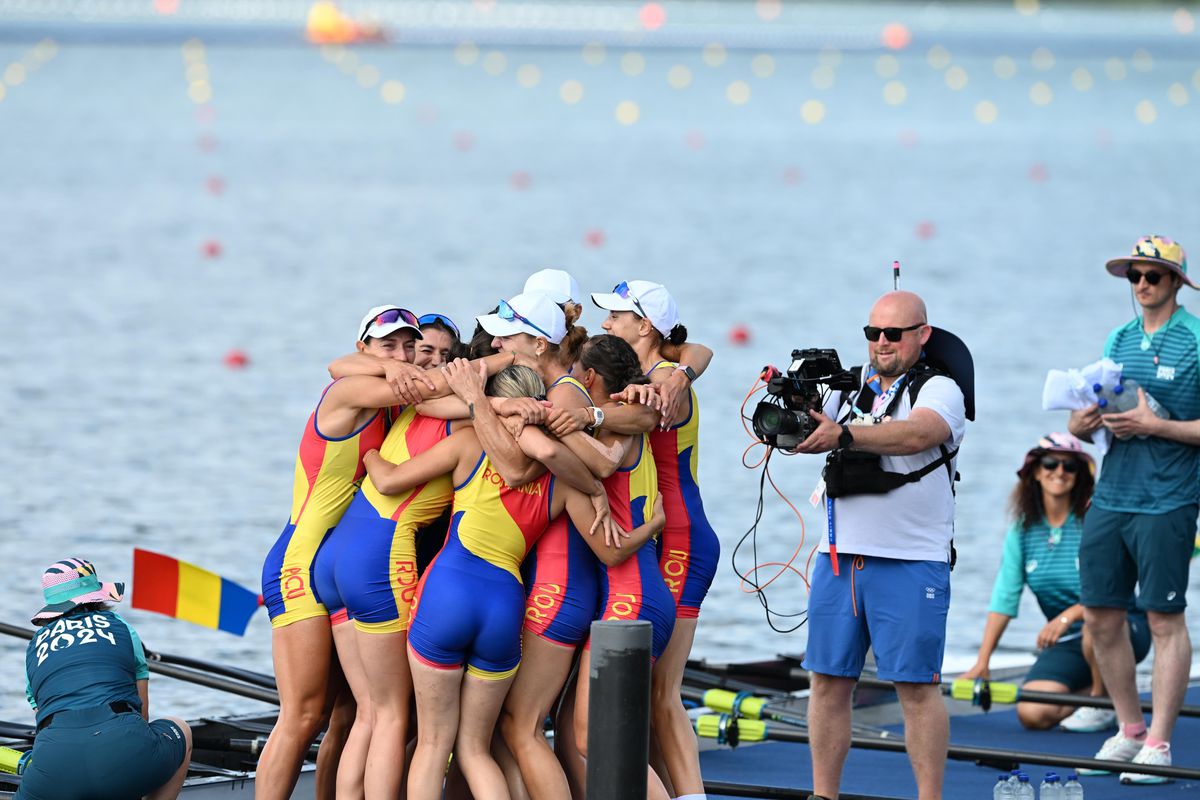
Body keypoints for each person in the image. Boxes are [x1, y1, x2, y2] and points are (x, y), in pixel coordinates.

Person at [362, 361, 616, 800]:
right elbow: (608, 541)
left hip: (449, 591)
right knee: (475, 749)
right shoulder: (562, 476)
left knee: (433, 744)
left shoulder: (469, 442)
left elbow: (388, 481)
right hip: (504, 605)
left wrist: (368, 452)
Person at [792, 291, 966, 800]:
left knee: (915, 688)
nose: (882, 343)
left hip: (912, 559)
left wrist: (844, 434)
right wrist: (792, 409)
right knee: (826, 682)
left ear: (922, 335)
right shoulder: (847, 389)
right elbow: (804, 432)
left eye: (893, 333)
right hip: (840, 557)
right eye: (873, 334)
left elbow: (917, 435)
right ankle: (824, 795)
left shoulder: (941, 389)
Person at [257, 305, 424, 800]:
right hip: (300, 563)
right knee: (303, 714)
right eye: (387, 345)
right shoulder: (350, 392)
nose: (402, 354)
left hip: (342, 568)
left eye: (408, 345)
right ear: (364, 350)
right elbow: (341, 369)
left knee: (349, 712)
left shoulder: (395, 399)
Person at [1067, 235, 1200, 783]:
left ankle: (1162, 744)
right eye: (1134, 277)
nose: (1141, 285)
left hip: (1168, 498)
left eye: (1152, 276)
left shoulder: (1196, 339)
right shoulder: (1117, 339)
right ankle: (1130, 730)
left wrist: (1156, 426)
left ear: (1176, 282)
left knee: (1164, 618)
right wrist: (1082, 423)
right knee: (1099, 613)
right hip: (1113, 493)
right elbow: (1087, 413)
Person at [592, 280, 716, 800]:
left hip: (680, 538)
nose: (606, 324)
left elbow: (688, 359)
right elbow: (696, 351)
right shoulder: (658, 370)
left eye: (616, 316)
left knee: (661, 693)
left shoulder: (665, 380)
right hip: (665, 535)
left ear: (645, 326)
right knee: (646, 695)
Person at [961, 433, 1151, 731]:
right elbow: (1004, 598)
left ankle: (1102, 702)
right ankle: (1110, 695)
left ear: (1079, 476)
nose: (1059, 472)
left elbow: (1110, 591)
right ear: (1036, 472)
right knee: (1032, 713)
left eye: (1069, 466)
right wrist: (983, 661)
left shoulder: (1095, 522)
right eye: (1050, 463)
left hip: (1123, 625)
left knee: (1095, 623)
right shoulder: (1022, 531)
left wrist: (1066, 617)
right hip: (1070, 640)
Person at [18, 558, 191, 800]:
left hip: (52, 768)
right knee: (181, 728)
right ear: (96, 597)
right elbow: (142, 716)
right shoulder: (121, 627)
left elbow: (43, 719)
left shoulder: (35, 646)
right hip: (120, 748)